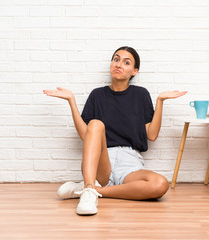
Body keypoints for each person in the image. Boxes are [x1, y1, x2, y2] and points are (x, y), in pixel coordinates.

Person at [43, 46, 187, 216]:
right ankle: (90, 190)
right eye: (116, 59)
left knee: (160, 184)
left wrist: (160, 101)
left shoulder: (141, 95)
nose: (118, 64)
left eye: (126, 62)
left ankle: (90, 189)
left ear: (134, 71)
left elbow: (152, 135)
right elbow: (85, 135)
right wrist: (71, 101)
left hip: (130, 164)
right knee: (95, 125)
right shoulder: (97, 95)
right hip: (103, 162)